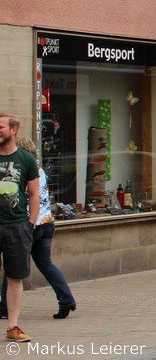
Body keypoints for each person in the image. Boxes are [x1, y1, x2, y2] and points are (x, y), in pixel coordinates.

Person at [0, 136, 77, 320]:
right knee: (45, 264)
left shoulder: (23, 170)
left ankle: (3, 308)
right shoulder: (40, 170)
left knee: (12, 267)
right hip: (47, 222)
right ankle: (66, 299)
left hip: (28, 223)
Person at [0, 113, 39, 343]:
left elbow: (33, 194)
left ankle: (13, 326)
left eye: (1, 126)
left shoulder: (26, 159)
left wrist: (30, 223)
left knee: (15, 277)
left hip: (16, 225)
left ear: (13, 130)